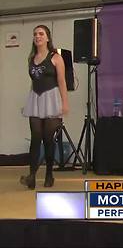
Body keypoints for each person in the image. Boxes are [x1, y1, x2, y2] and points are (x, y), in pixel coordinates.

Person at [20, 25, 69, 189]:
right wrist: (29, 101)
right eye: (35, 34)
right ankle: (32, 176)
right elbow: (33, 81)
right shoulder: (31, 58)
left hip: (52, 99)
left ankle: (49, 174)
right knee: (35, 138)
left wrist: (65, 103)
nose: (37, 36)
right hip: (35, 99)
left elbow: (62, 81)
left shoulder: (56, 57)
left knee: (48, 140)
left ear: (47, 37)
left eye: (41, 34)